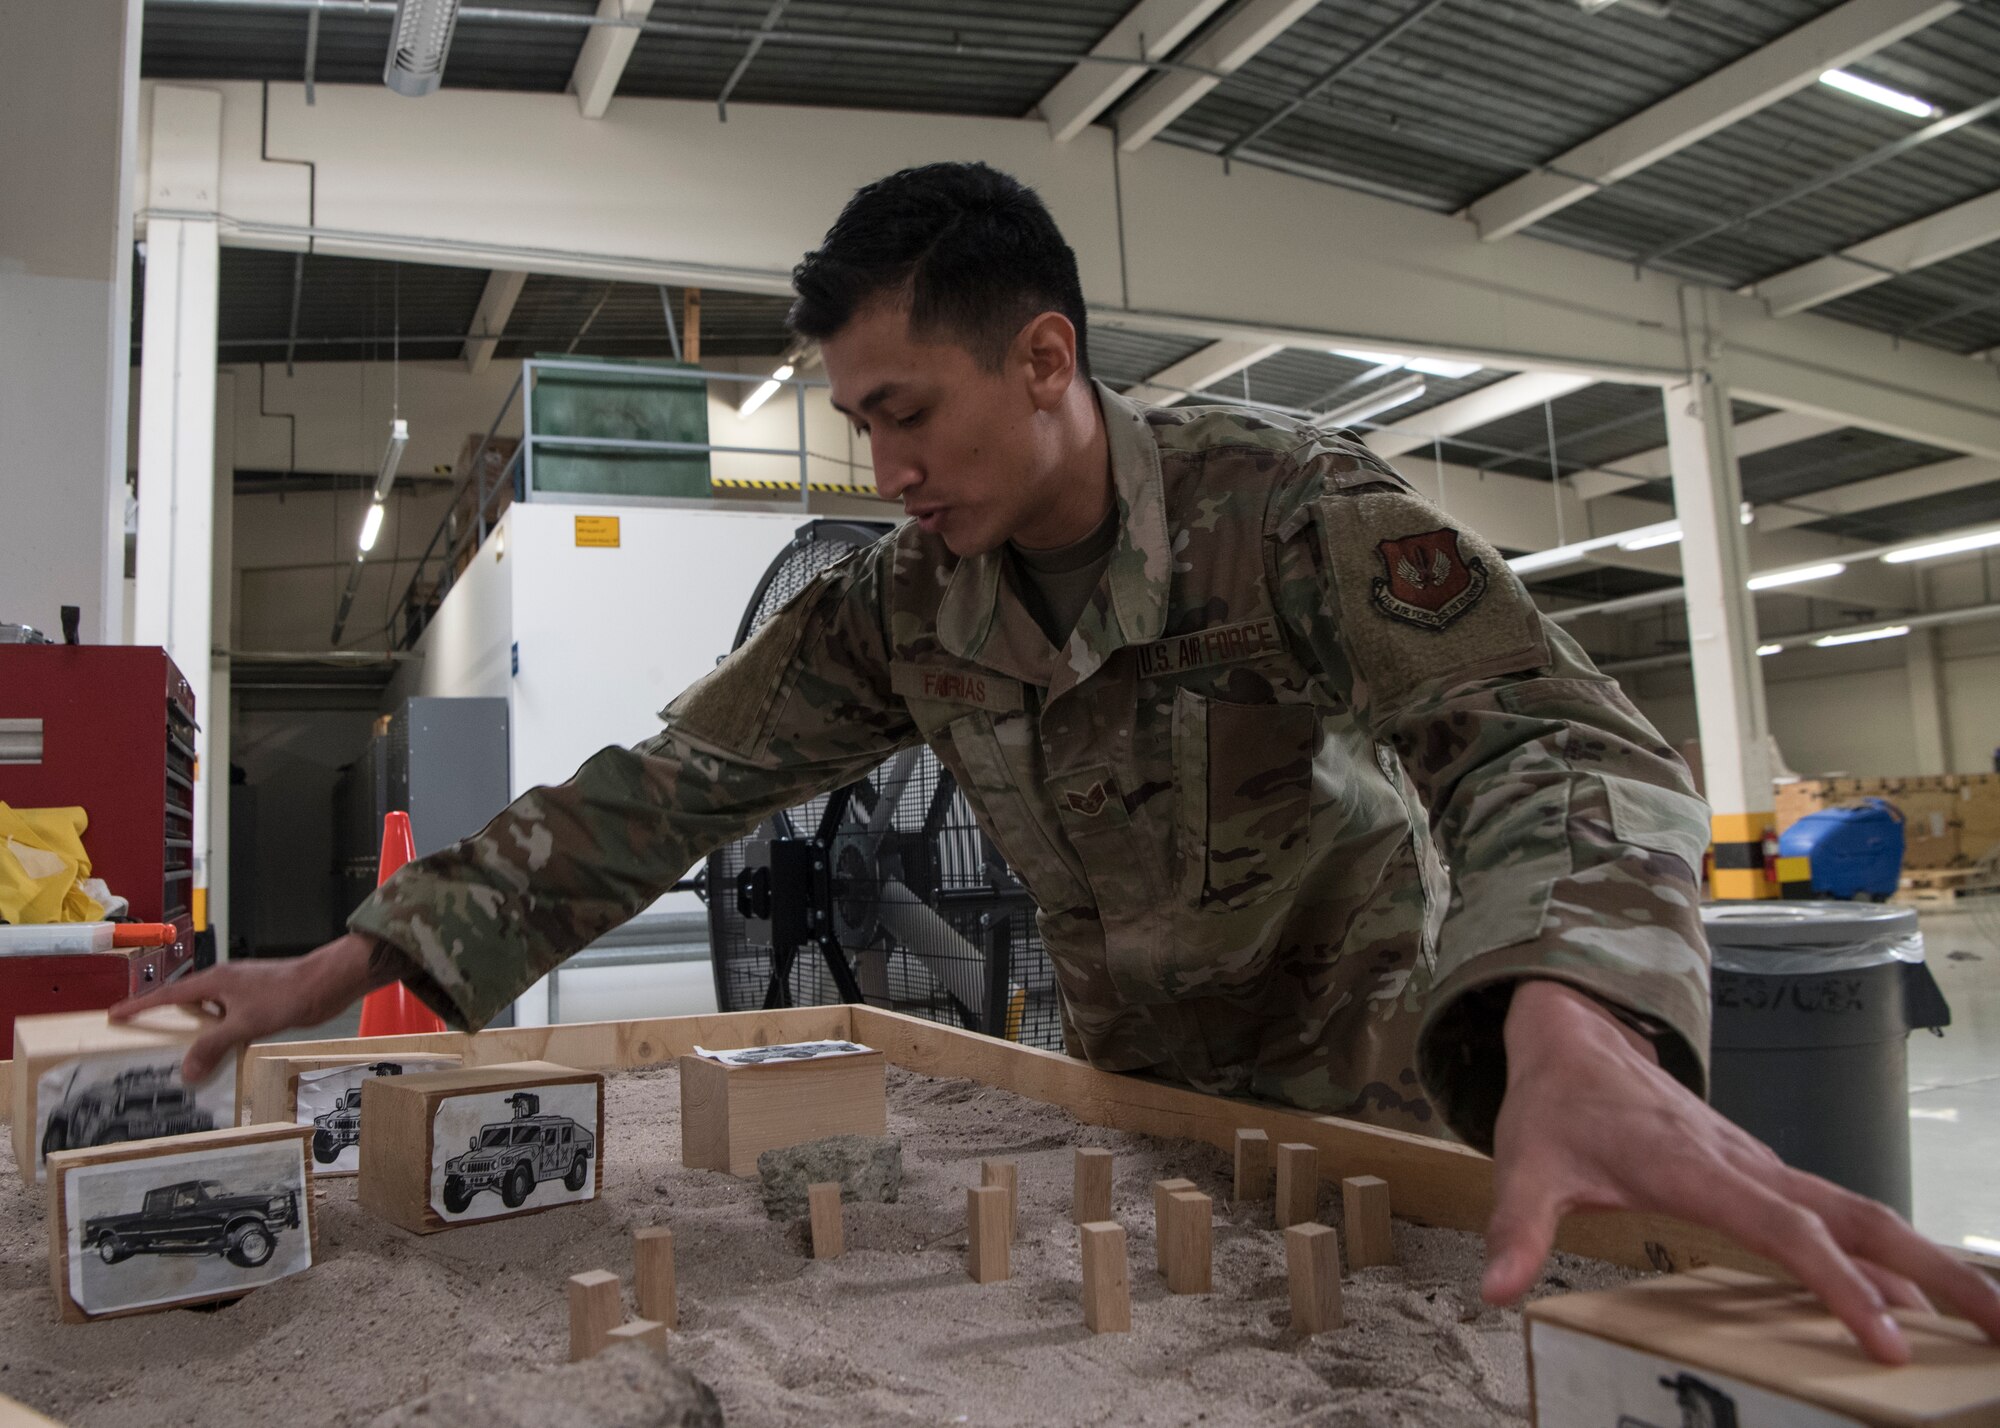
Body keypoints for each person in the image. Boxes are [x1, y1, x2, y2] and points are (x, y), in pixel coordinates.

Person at [118, 163, 1999, 1362]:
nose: (883, 470)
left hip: (1384, 1099)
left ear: (1042, 359)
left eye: (906, 412)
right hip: (1141, 1102)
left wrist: (1572, 1015)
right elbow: (659, 792)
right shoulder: (895, 613)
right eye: (858, 425)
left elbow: (1545, 730)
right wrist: (354, 958)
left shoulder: (1283, 515)